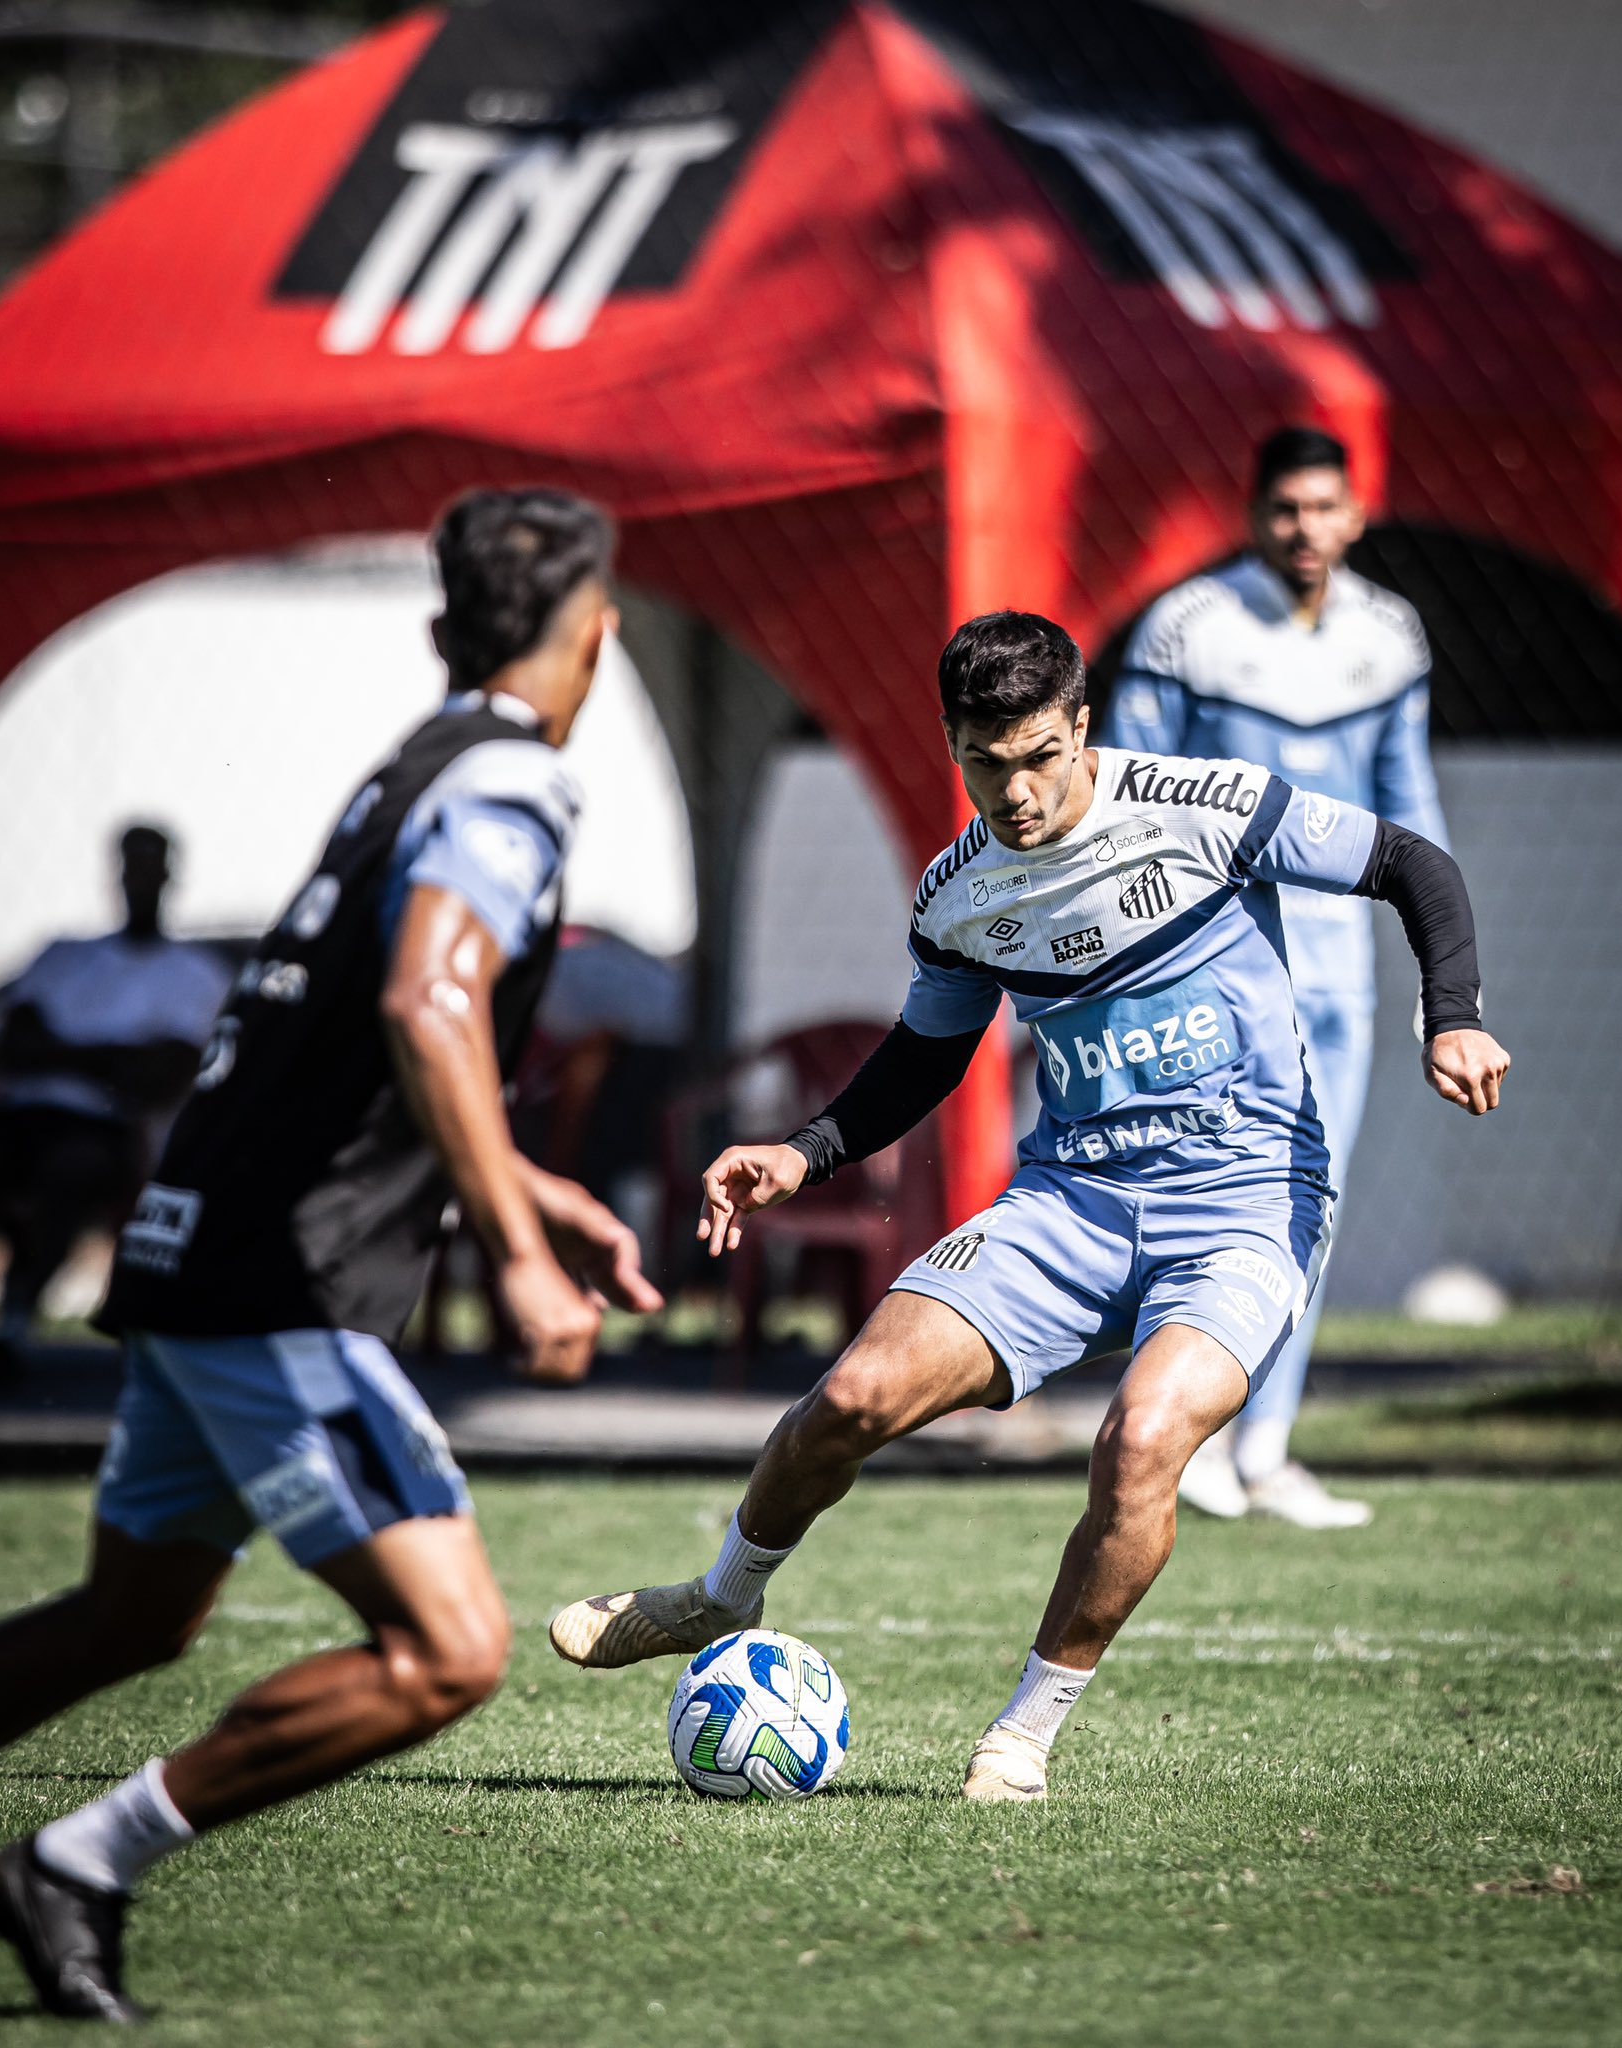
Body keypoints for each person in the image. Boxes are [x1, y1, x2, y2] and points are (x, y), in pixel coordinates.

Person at [549, 609, 1508, 1804]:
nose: (1016, 789)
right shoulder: (958, 894)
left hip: (1249, 1200)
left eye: (1040, 754)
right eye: (985, 761)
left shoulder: (1205, 803)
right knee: (847, 1398)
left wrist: (1453, 1008)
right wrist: (806, 1152)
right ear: (955, 745)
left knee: (1145, 1437)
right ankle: (717, 1599)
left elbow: (1409, 861)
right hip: (1072, 1202)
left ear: (1081, 727)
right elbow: (925, 1054)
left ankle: (1024, 1731)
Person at [0, 488, 662, 2022]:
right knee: (445, 1652)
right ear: (597, 637)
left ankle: (68, 1865)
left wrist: (524, 1185)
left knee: (134, 1618)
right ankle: (79, 1862)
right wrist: (514, 1251)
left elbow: (353, 1048)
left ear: (442, 636)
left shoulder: (403, 774)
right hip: (279, 1292)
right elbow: (428, 1002)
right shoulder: (512, 784)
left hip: (192, 1247)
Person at [1101, 425, 1447, 1528]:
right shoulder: (1187, 627)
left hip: (1340, 974)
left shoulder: (1390, 636)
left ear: (1356, 515)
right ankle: (1178, 1433)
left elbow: (1411, 809)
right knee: (1202, 1197)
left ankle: (1266, 1449)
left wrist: (1449, 976)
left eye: (1325, 508)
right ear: (1254, 515)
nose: (1305, 529)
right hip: (1216, 972)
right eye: (1285, 508)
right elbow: (1124, 802)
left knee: (1313, 1206)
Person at [0, 825, 229, 1364]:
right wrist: (112, 1056)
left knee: (71, 1168)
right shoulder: (65, 957)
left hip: (109, 1127)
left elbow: (163, 1073)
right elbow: (14, 1045)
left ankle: (17, 1311)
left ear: (171, 875)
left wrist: (62, 1049)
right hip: (21, 1114)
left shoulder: (193, 974)